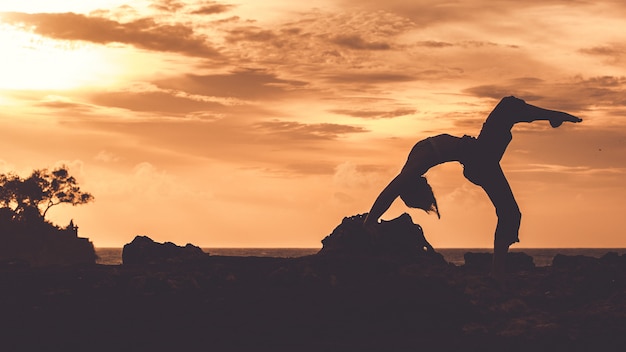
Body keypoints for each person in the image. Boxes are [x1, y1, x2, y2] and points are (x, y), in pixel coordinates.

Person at [363, 96, 582, 278]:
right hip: (479, 159)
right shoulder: (413, 170)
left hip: (478, 155)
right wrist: (371, 219)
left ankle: (497, 273)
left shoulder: (411, 164)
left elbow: (393, 190)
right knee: (507, 106)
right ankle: (497, 273)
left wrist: (372, 219)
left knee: (510, 212)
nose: (428, 186)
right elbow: (390, 191)